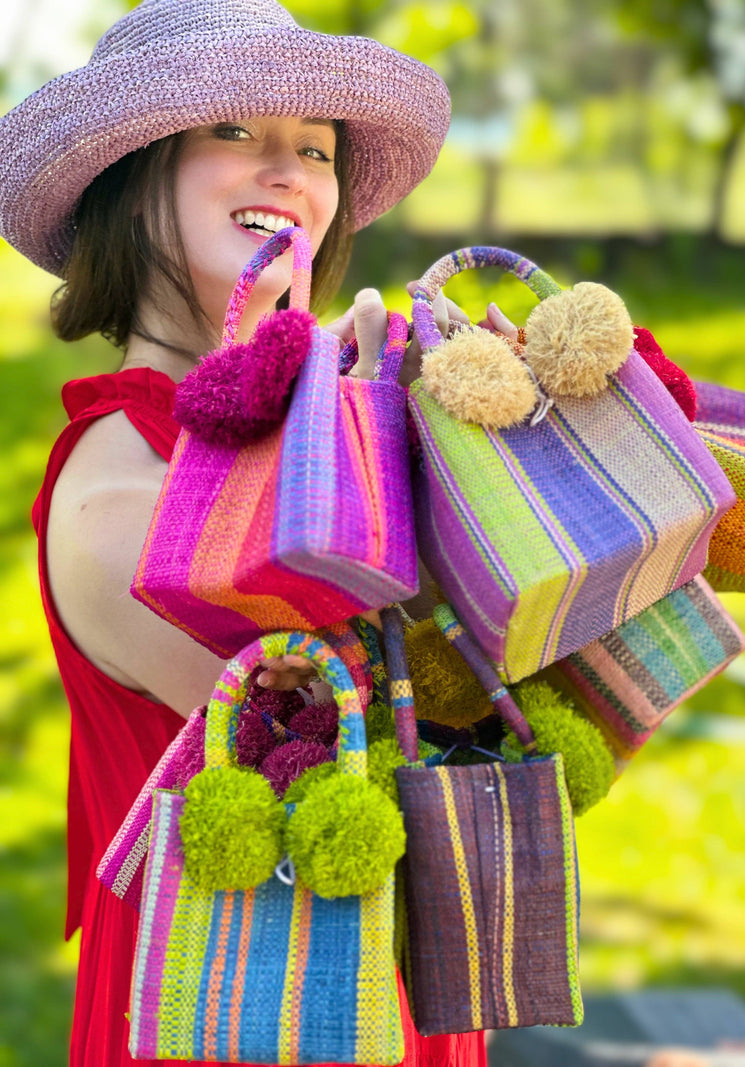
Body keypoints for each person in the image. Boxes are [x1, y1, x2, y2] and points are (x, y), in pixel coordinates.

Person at [0, 1, 513, 1063]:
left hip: (386, 977)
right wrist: (440, 460)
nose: (286, 169)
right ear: (131, 176)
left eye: (314, 147)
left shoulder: (331, 424)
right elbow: (360, 709)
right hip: (244, 1008)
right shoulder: (119, 484)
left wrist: (506, 427)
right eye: (233, 131)